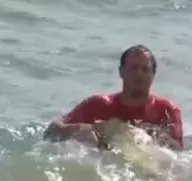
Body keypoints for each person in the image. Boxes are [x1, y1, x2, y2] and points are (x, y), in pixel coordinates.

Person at [43, 44, 184, 150]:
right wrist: (86, 130)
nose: (139, 74)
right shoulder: (98, 105)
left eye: (145, 69)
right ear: (121, 72)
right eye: (133, 68)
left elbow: (176, 153)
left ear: (153, 75)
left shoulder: (166, 110)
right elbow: (52, 131)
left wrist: (142, 138)